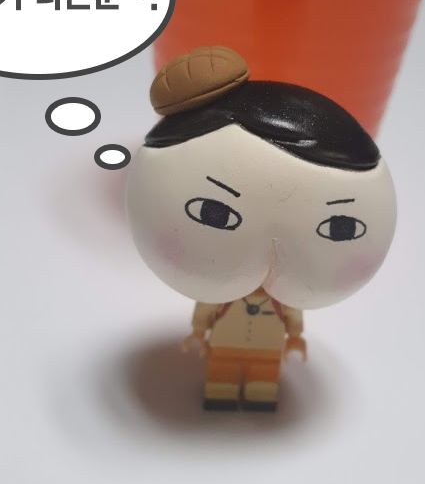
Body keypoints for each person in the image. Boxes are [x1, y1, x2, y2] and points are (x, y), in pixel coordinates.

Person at [126, 46, 396, 411]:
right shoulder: (223, 292)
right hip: (226, 340)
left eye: (340, 227)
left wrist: (295, 337)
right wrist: (199, 332)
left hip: (265, 344)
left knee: (262, 375)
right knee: (223, 372)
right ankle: (221, 393)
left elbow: (293, 319)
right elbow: (205, 312)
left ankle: (259, 395)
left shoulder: (283, 297)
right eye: (213, 213)